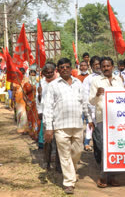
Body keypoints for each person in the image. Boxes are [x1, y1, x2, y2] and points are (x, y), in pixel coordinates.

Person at [43, 58, 93, 195]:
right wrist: (49, 128)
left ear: (71, 68)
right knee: (64, 155)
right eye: (62, 67)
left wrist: (89, 119)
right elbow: (48, 108)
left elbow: (84, 103)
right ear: (58, 70)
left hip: (77, 125)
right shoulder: (53, 85)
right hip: (60, 126)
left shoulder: (78, 83)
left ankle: (71, 172)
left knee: (77, 152)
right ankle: (69, 183)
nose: (64, 69)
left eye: (67, 67)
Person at [89, 56, 124, 188]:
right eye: (103, 66)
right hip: (102, 118)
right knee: (104, 148)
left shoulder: (118, 80)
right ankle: (104, 176)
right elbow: (91, 101)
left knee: (115, 147)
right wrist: (97, 94)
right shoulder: (96, 81)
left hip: (116, 119)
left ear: (112, 67)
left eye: (108, 66)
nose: (105, 68)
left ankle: (113, 176)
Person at [37, 62, 58, 149]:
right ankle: (47, 157)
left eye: (51, 72)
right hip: (46, 112)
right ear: (44, 73)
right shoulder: (41, 83)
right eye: (47, 73)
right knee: (48, 137)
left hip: (57, 113)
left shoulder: (59, 82)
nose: (49, 74)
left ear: (54, 71)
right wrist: (40, 111)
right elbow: (38, 100)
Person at [83, 56, 101, 151]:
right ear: (92, 66)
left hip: (105, 109)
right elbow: (85, 95)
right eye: (95, 65)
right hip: (93, 108)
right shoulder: (88, 79)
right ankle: (87, 143)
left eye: (99, 64)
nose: (97, 66)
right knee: (91, 127)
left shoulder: (106, 76)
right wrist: (88, 109)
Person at [24, 69, 40, 141]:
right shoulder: (26, 84)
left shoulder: (38, 83)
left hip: (37, 104)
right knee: (30, 118)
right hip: (29, 103)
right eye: (31, 75)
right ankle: (31, 133)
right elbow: (24, 94)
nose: (33, 76)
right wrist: (27, 101)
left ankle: (36, 134)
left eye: (34, 75)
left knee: (36, 118)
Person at [13, 68, 29, 134]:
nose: (21, 74)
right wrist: (12, 99)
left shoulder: (27, 80)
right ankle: (20, 128)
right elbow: (13, 90)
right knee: (19, 114)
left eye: (22, 72)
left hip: (25, 99)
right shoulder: (15, 80)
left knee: (24, 114)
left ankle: (24, 129)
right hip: (18, 99)